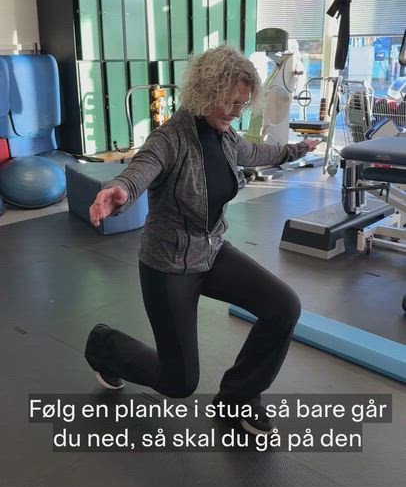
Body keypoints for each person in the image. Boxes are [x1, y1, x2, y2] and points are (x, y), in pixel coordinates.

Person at [85, 45, 319, 436]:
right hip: (168, 267)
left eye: (242, 104)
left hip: (210, 252)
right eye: (230, 102)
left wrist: (296, 149)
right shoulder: (169, 138)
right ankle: (103, 346)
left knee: (283, 306)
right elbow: (142, 168)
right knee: (178, 382)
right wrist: (121, 190)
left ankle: (237, 398)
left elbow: (256, 151)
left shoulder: (225, 136)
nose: (235, 112)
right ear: (206, 91)